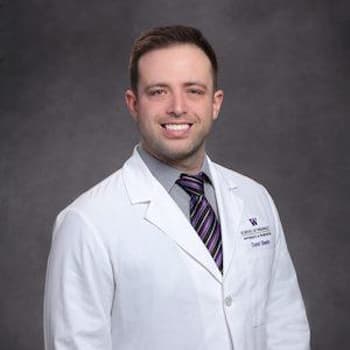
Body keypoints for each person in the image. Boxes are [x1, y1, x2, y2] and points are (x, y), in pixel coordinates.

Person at [43, 25, 311, 350]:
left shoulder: (256, 199)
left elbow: (286, 326)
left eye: (194, 90)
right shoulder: (86, 222)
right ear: (133, 104)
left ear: (215, 103)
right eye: (158, 91)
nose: (178, 107)